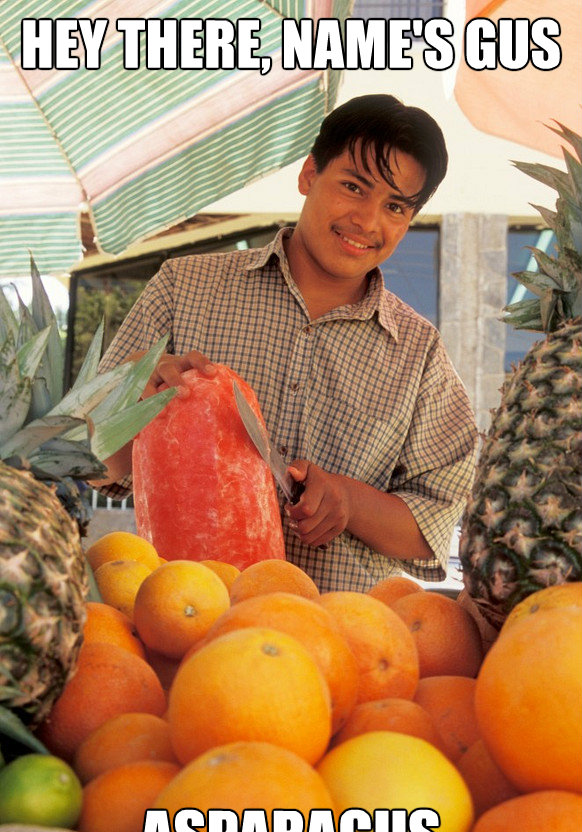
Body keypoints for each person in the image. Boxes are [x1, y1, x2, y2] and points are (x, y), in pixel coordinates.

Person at [95, 93, 478, 593]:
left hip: (337, 645)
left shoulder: (419, 353)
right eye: (353, 186)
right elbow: (89, 462)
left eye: (395, 205)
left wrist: (349, 501)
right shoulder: (183, 287)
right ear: (308, 174)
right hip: (180, 624)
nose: (367, 220)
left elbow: (435, 522)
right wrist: (131, 404)